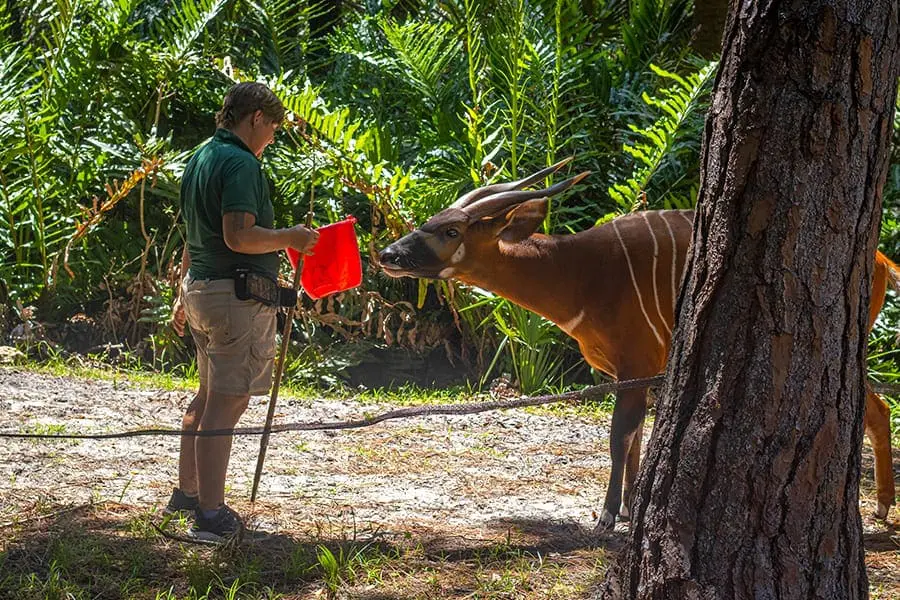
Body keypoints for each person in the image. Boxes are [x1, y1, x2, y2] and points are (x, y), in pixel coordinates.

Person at [167, 82, 318, 542]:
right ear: (256, 118)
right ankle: (210, 516)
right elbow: (238, 235)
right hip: (234, 300)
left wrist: (181, 290)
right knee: (226, 407)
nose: (272, 138)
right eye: (272, 127)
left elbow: (197, 233)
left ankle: (188, 494)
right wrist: (290, 237)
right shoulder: (241, 163)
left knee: (207, 397)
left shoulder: (201, 156)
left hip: (202, 291)